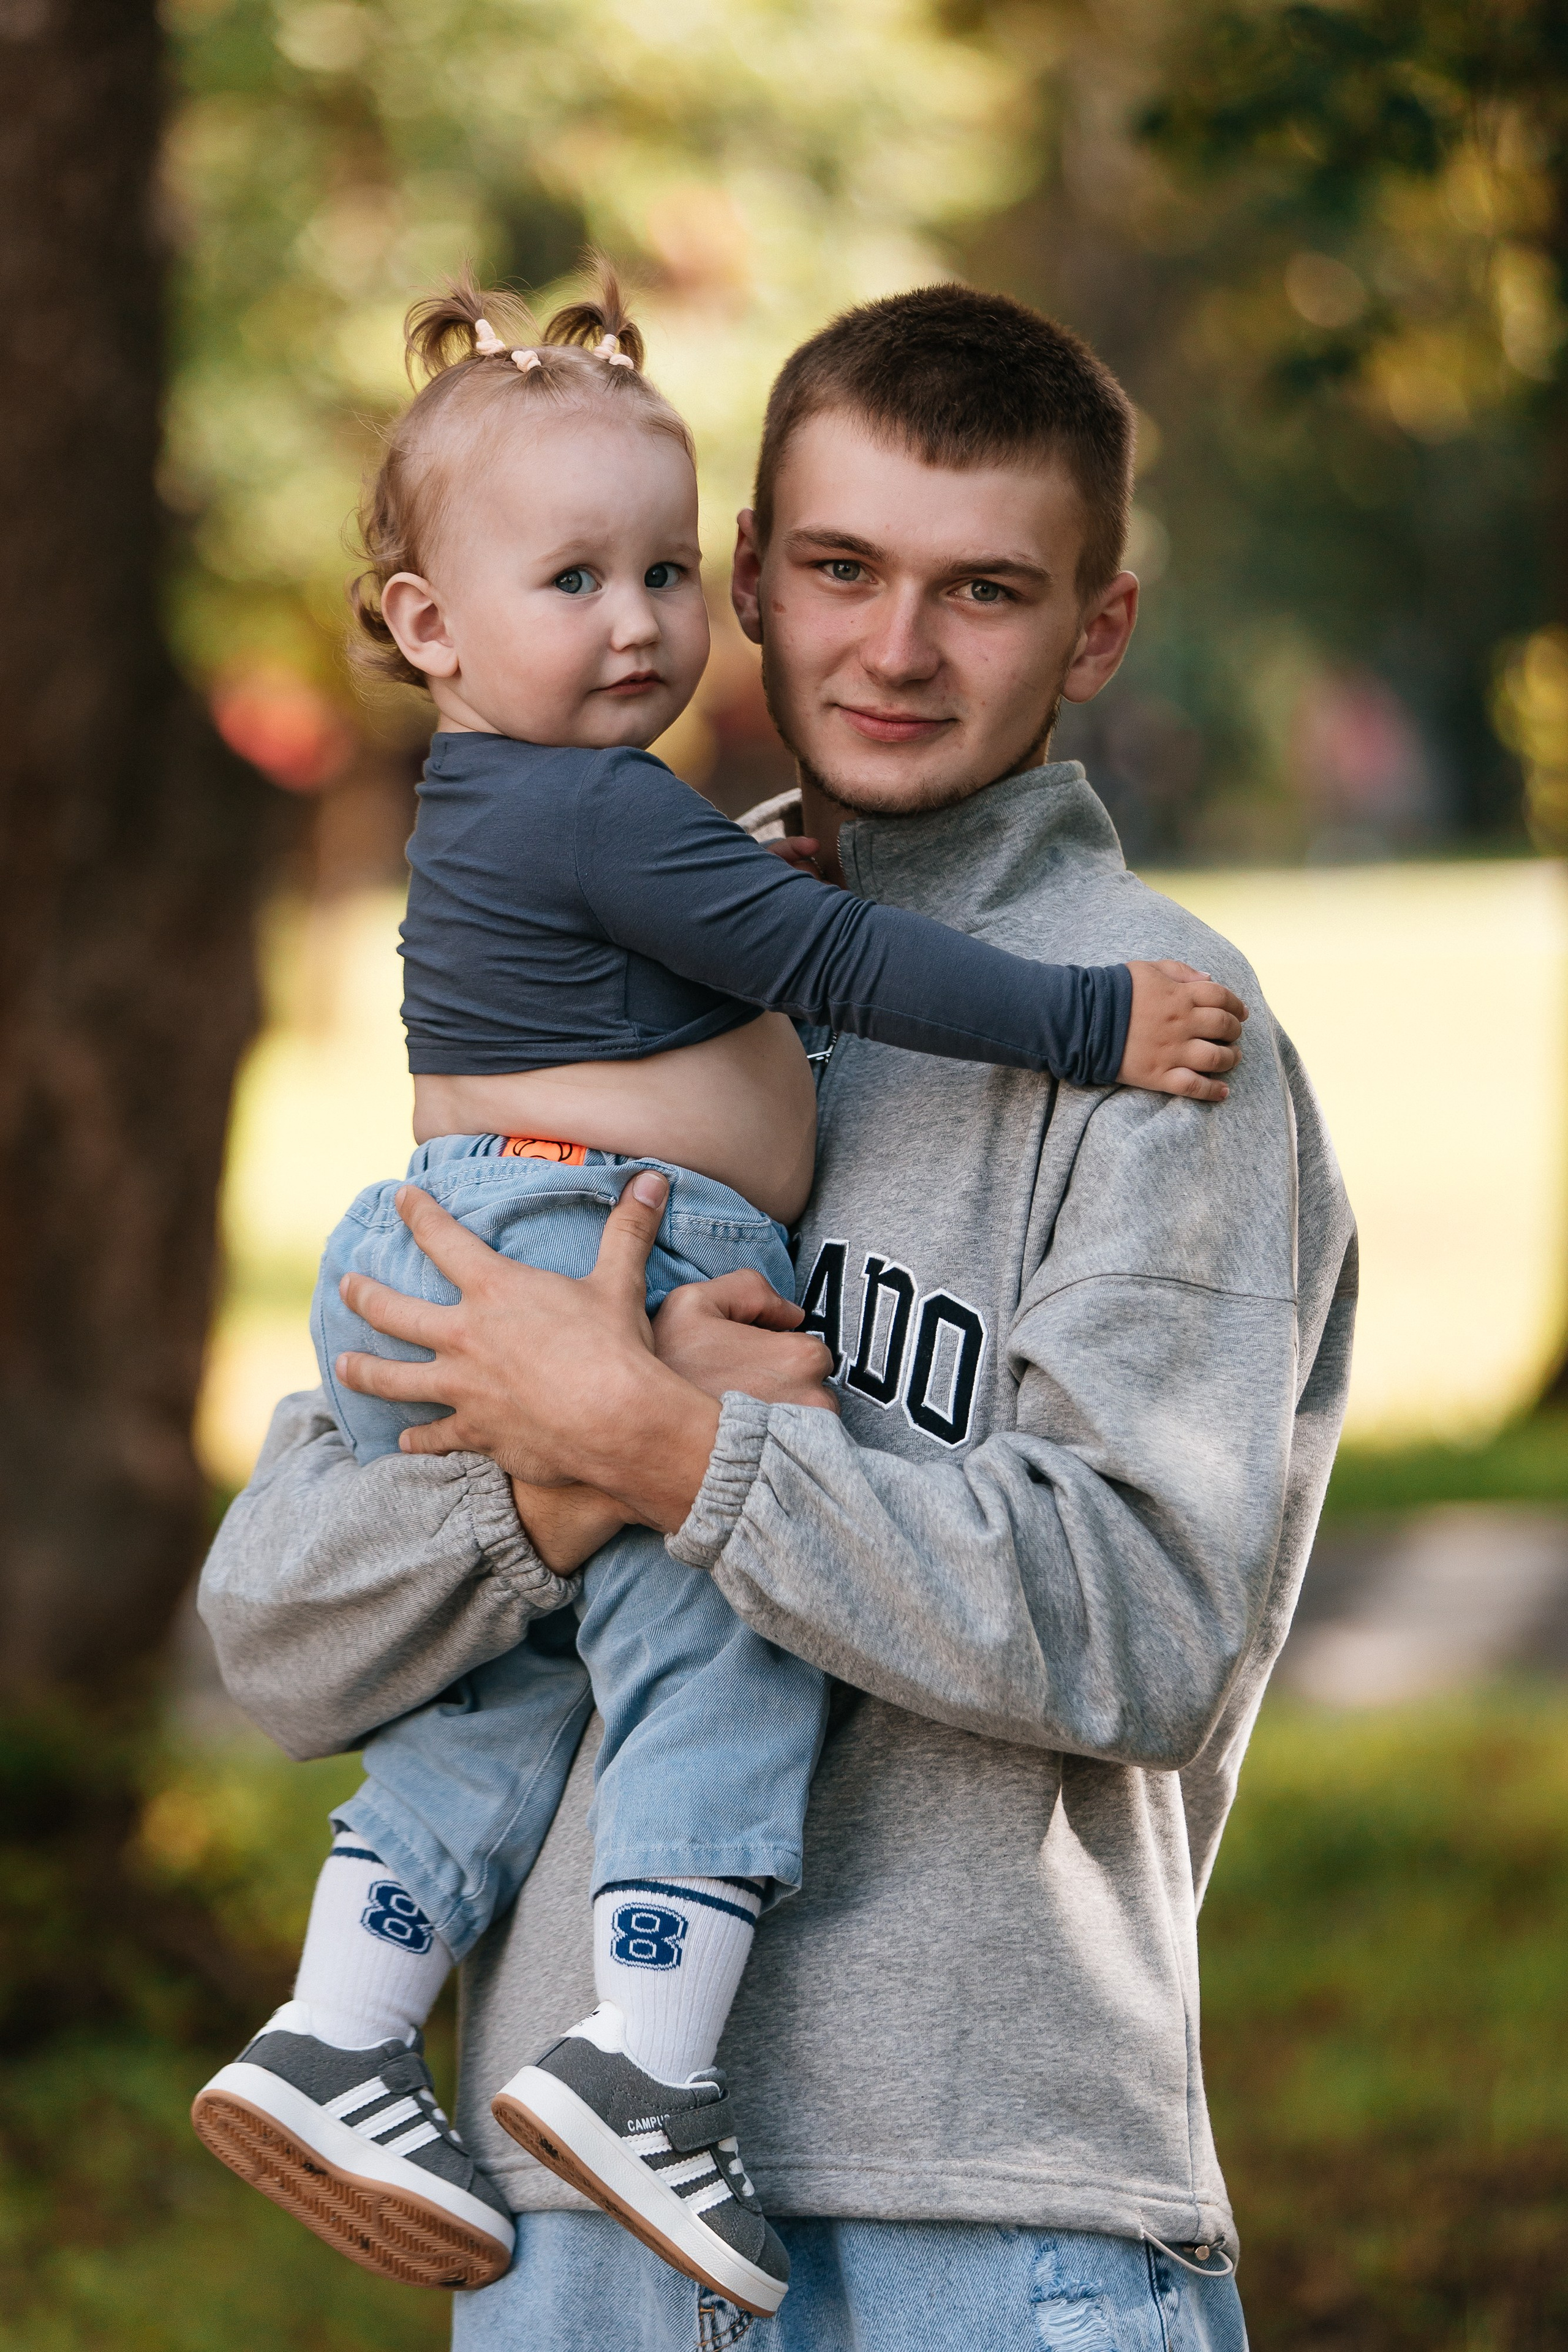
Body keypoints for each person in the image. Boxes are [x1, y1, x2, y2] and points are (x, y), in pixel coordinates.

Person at [200, 280, 1357, 2351]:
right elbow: (282, 1626)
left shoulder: (1168, 1044)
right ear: (748, 578)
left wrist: (677, 1451)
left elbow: (1150, 1627)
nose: (896, 648)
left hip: (982, 2215)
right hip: (565, 2231)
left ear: (1096, 627)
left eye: (983, 588)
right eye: (838, 569)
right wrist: (550, 1495)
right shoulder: (592, 971)